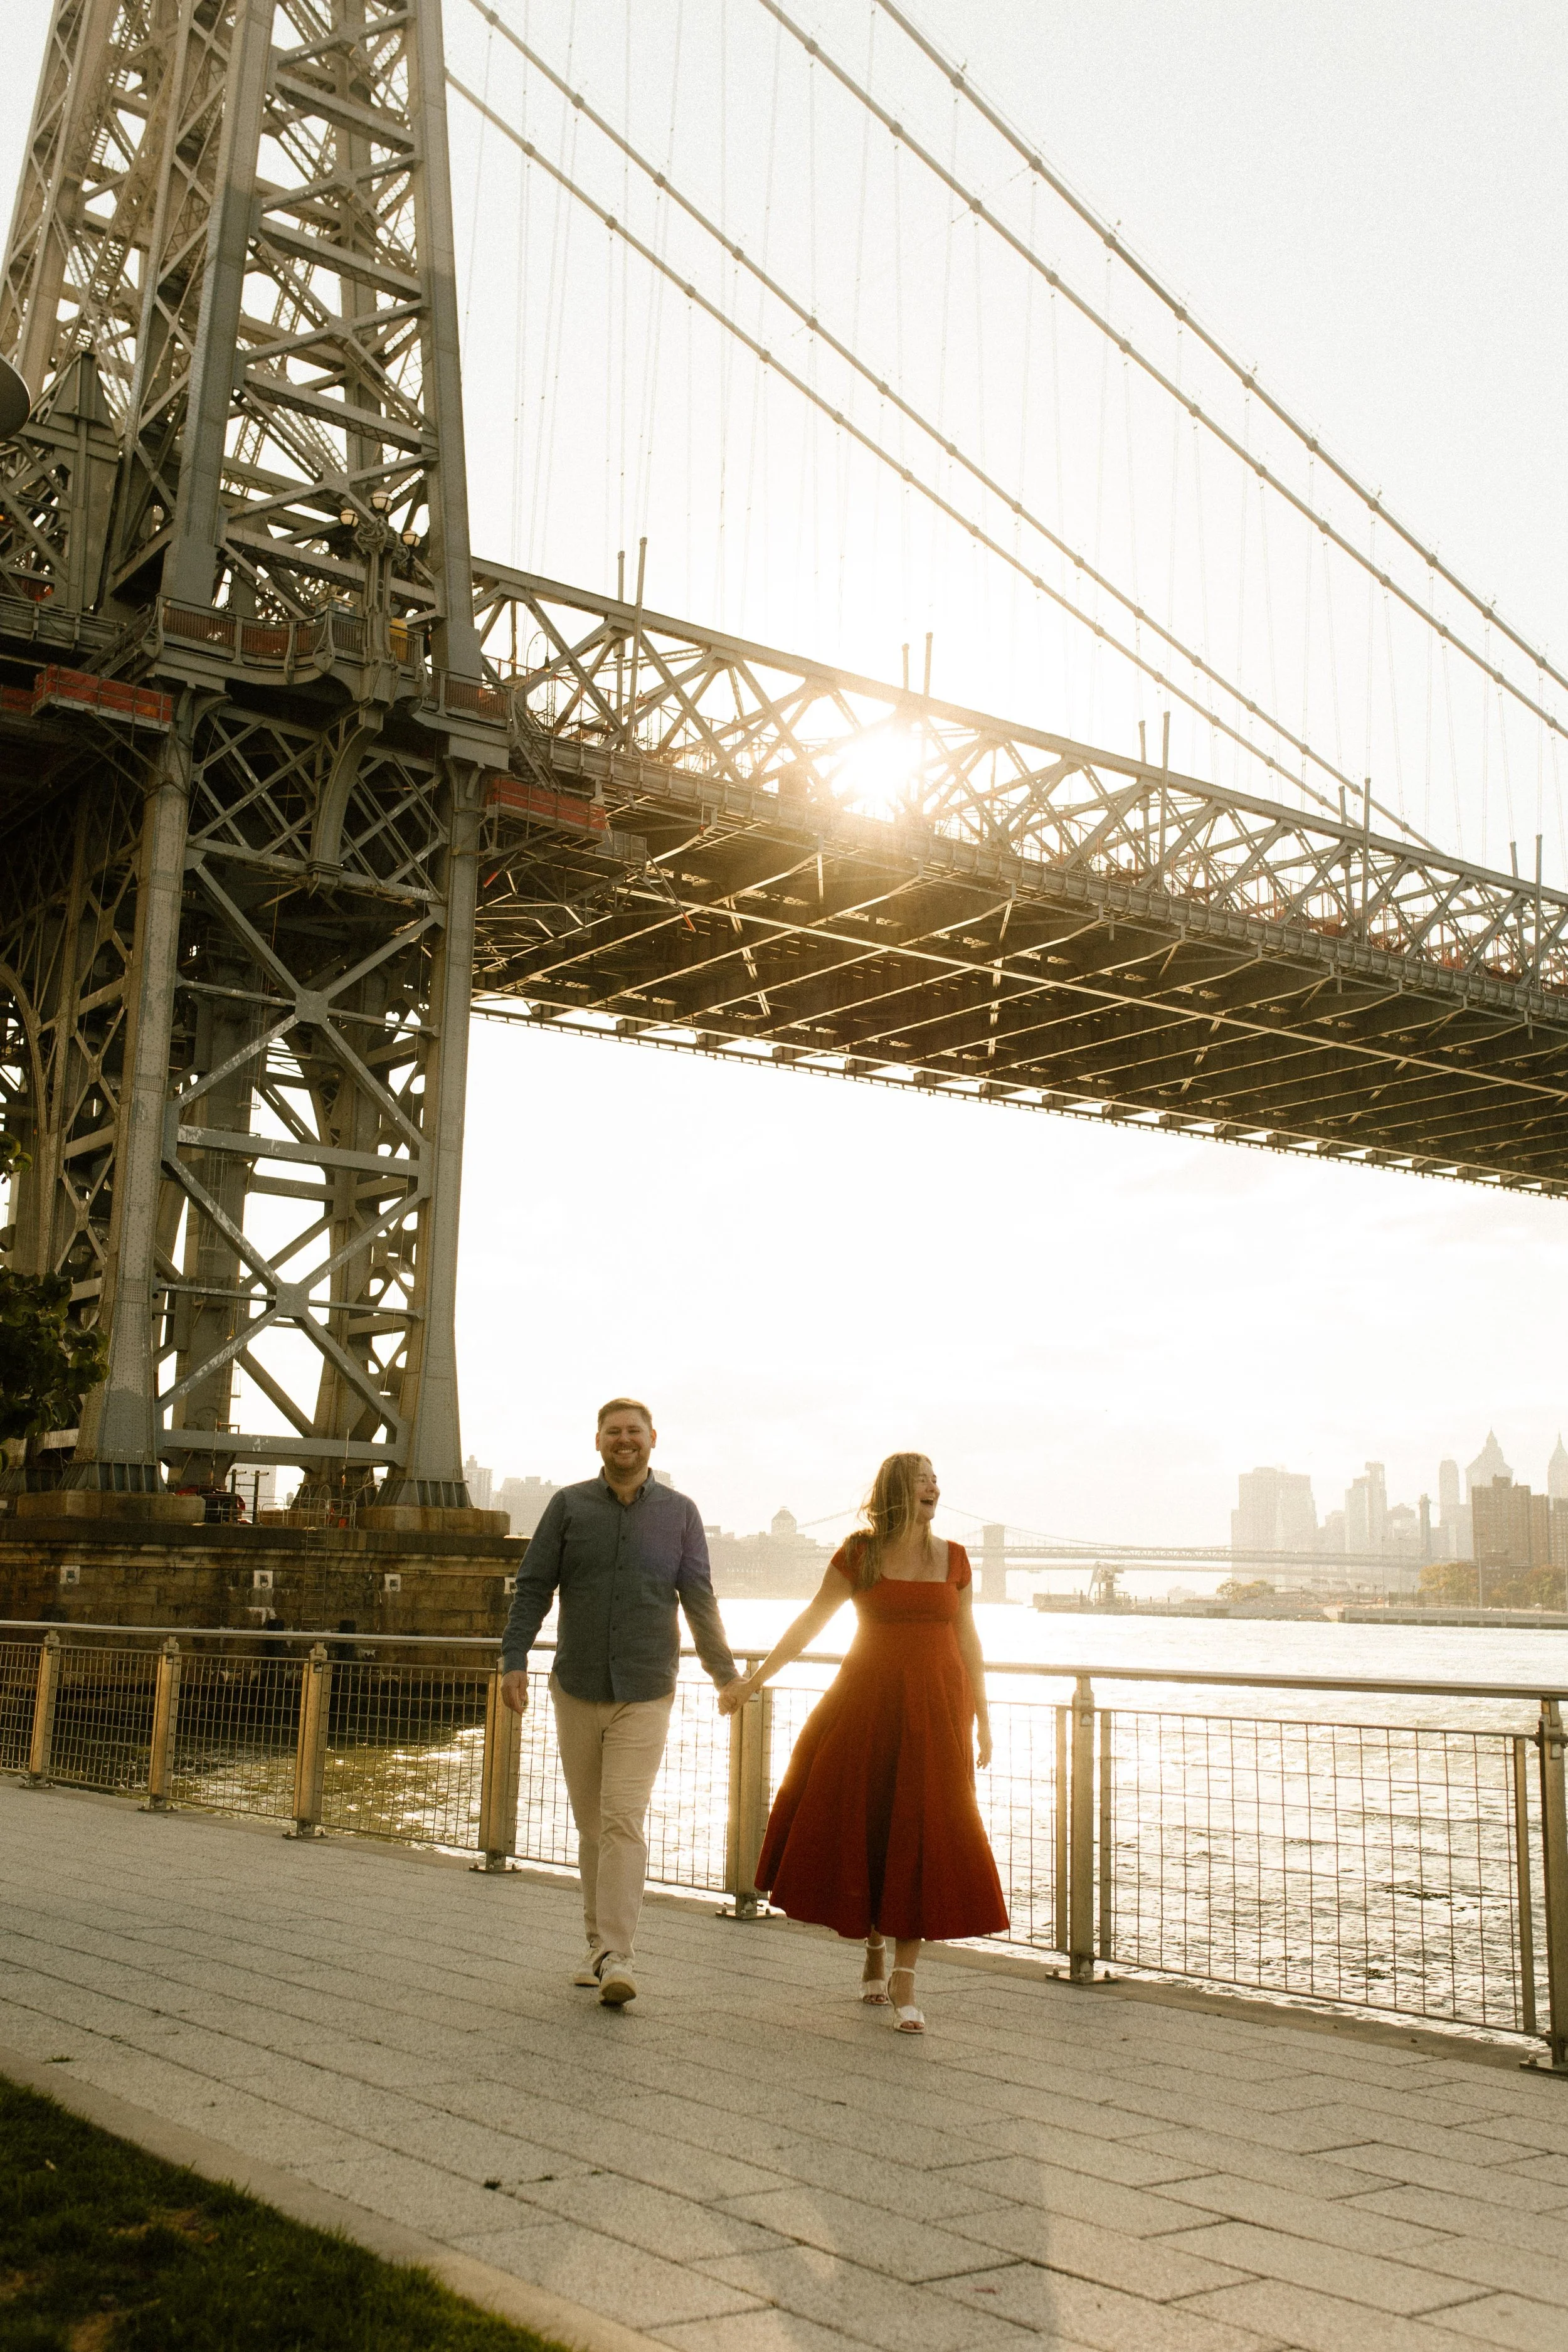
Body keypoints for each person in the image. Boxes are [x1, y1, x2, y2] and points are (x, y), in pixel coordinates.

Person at [721, 1451, 1005, 2033]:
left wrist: (983, 1714)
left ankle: (905, 1974)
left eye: (936, 1477)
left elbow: (969, 1638)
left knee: (923, 1831)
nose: (935, 1485)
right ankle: (874, 1944)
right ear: (898, 1489)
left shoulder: (955, 1558)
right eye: (923, 1477)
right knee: (875, 1823)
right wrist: (754, 1681)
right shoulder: (860, 1553)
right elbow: (811, 1621)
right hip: (866, 1708)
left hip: (937, 1713)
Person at [501, 1397, 746, 2008]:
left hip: (645, 1687)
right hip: (578, 1684)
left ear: (653, 1440)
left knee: (621, 1821)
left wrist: (724, 1674)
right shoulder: (568, 1506)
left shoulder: (680, 1514)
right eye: (613, 1432)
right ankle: (596, 1947)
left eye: (633, 1431)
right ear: (598, 1442)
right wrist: (513, 1660)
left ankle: (619, 1954)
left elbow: (699, 1599)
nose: (624, 1441)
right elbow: (533, 1586)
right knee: (592, 1828)